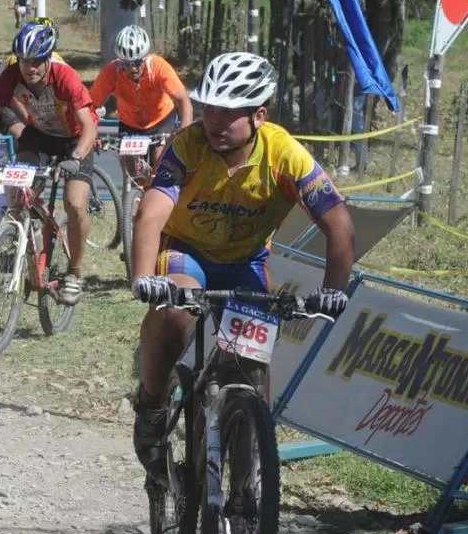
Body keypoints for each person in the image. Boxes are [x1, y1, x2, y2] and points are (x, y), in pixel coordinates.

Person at [128, 52, 354, 485]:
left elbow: (338, 223)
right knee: (176, 309)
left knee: (251, 372)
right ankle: (152, 403)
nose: (214, 121)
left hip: (244, 261)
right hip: (186, 251)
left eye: (228, 114)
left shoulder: (284, 154)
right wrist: (143, 277)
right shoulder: (189, 145)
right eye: (210, 108)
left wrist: (335, 288)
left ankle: (245, 490)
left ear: (259, 116)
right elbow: (151, 214)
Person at [0, 24, 97, 305]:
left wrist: (75, 158)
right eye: (25, 61)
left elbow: (89, 126)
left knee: (74, 203)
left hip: (74, 141)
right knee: (17, 191)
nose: (30, 68)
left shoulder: (65, 77)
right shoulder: (11, 76)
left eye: (37, 61)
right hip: (38, 137)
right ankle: (20, 235)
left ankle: (74, 272)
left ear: (49, 58)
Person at [89, 24, 193, 181]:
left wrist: (184, 130)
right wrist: (91, 132)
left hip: (161, 120)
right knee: (132, 172)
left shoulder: (158, 67)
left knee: (161, 161)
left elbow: (183, 100)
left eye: (137, 62)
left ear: (145, 57)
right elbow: (90, 105)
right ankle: (136, 196)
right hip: (130, 123)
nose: (132, 69)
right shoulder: (112, 72)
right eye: (126, 63)